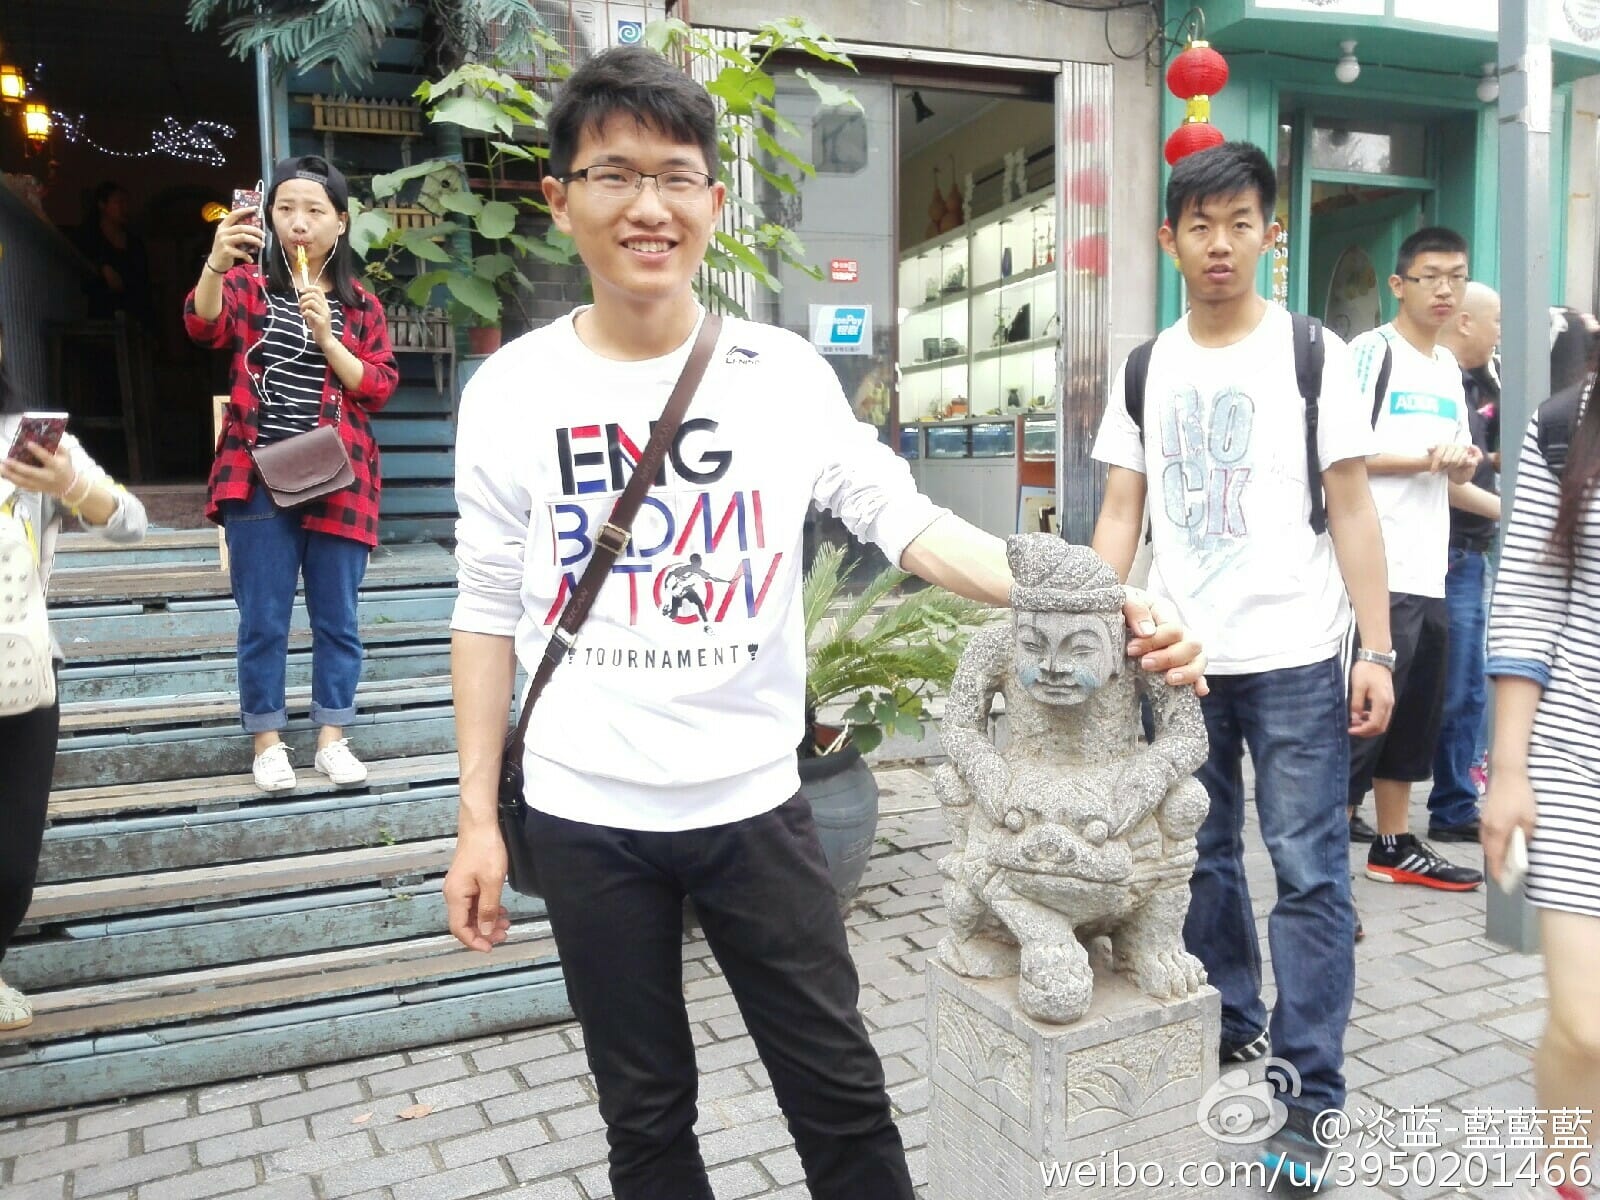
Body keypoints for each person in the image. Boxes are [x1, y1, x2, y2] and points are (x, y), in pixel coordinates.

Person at [443, 45, 1205, 1200]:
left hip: (754, 806)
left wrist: (1089, 595)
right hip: (584, 812)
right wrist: (475, 822)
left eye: (675, 176)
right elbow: (486, 610)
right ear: (559, 200)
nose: (647, 206)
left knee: (839, 1096)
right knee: (642, 1113)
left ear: (712, 200)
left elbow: (907, 522)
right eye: (613, 175)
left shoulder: (778, 372)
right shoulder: (510, 390)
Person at [1090, 141, 1392, 1177]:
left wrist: (1376, 648)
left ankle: (1309, 1095)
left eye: (1239, 224)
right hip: (1178, 661)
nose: (1220, 244)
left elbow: (1351, 506)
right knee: (1204, 855)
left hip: (1298, 654)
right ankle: (1229, 1015)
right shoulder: (1145, 365)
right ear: (1168, 239)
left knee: (1308, 873)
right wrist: (1093, 633)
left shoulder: (1313, 352)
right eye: (1200, 226)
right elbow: (1120, 511)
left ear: (1271, 235)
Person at [184, 155, 397, 793]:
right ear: (270, 217)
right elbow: (202, 324)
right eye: (285, 209)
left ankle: (332, 738)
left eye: (314, 210)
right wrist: (216, 262)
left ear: (341, 222)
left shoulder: (361, 305)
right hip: (255, 477)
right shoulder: (247, 286)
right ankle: (268, 742)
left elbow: (378, 386)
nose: (299, 223)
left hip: (340, 478)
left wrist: (329, 337)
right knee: (263, 618)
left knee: (338, 617)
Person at [0, 321, 148, 1028]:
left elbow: (131, 523)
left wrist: (73, 484)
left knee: (10, 864)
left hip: (20, 675)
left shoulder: (28, 442)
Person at [1481, 350, 1600, 1200]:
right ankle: (1567, 1175)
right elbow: (1530, 593)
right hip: (1575, 752)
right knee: (1586, 1026)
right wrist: (1510, 768)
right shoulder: (1568, 424)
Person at [1346, 227, 1485, 890]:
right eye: (1431, 276)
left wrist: (1465, 464)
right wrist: (1429, 460)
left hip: (1430, 569)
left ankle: (1394, 845)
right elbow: (1343, 454)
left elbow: (1453, 473)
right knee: (1360, 723)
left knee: (1412, 717)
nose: (1445, 289)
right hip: (1374, 571)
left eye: (1456, 276)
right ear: (1399, 285)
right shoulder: (1371, 352)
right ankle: (1323, 873)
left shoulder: (1447, 368)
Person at [1427, 282, 1502, 840]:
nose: (1501, 333)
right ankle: (1452, 806)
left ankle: (1454, 800)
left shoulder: (1480, 383)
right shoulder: (1441, 383)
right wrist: (1512, 511)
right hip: (1450, 555)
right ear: (1466, 322)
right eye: (1496, 321)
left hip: (1467, 554)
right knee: (1457, 689)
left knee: (1467, 686)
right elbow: (1449, 483)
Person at [74, 181, 154, 327]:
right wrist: (102, 268)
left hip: (133, 316)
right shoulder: (88, 238)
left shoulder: (134, 243)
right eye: (119, 202)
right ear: (102, 205)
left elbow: (142, 283)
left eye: (126, 202)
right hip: (99, 315)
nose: (125, 208)